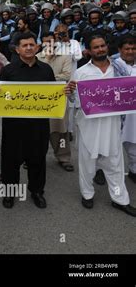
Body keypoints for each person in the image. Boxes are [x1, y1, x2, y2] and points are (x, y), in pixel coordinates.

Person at [65, 35, 136, 217]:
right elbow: (75, 99)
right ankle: (87, 194)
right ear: (89, 50)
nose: (100, 49)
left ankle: (120, 199)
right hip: (89, 125)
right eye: (96, 47)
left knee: (115, 164)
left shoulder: (118, 69)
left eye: (103, 46)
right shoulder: (81, 72)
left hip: (112, 125)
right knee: (87, 163)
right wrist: (70, 92)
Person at [0, 32, 56, 209]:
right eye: (24, 45)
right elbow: (0, 99)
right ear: (17, 49)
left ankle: (36, 191)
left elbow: (53, 96)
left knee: (37, 159)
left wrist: (63, 93)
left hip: (38, 125)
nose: (29, 48)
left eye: (31, 45)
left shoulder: (46, 70)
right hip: (14, 126)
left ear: (37, 47)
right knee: (11, 161)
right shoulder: (8, 70)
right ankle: (10, 193)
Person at [36, 31, 74, 171]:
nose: (49, 44)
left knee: (60, 131)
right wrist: (47, 59)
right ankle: (35, 158)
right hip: (40, 100)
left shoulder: (65, 56)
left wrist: (47, 78)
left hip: (58, 99)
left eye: (51, 41)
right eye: (45, 42)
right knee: (38, 131)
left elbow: (66, 75)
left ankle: (64, 158)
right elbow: (36, 76)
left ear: (56, 41)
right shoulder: (37, 57)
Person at [118, 37, 136, 184]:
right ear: (120, 50)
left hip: (133, 115)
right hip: (116, 113)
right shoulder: (113, 65)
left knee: (133, 144)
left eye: (133, 49)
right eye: (127, 49)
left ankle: (134, 170)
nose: (130, 52)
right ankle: (100, 171)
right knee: (109, 146)